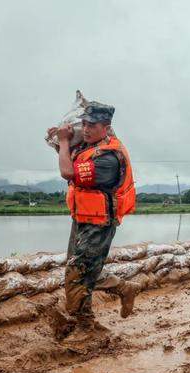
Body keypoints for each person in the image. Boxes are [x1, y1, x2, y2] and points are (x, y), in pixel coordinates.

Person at [47, 102, 138, 341]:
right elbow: (71, 162)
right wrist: (60, 143)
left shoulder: (109, 157)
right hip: (82, 219)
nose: (85, 130)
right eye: (84, 124)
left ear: (106, 128)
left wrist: (65, 141)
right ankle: (122, 288)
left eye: (92, 125)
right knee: (80, 270)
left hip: (99, 224)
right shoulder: (90, 147)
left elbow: (68, 172)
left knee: (77, 273)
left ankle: (85, 328)